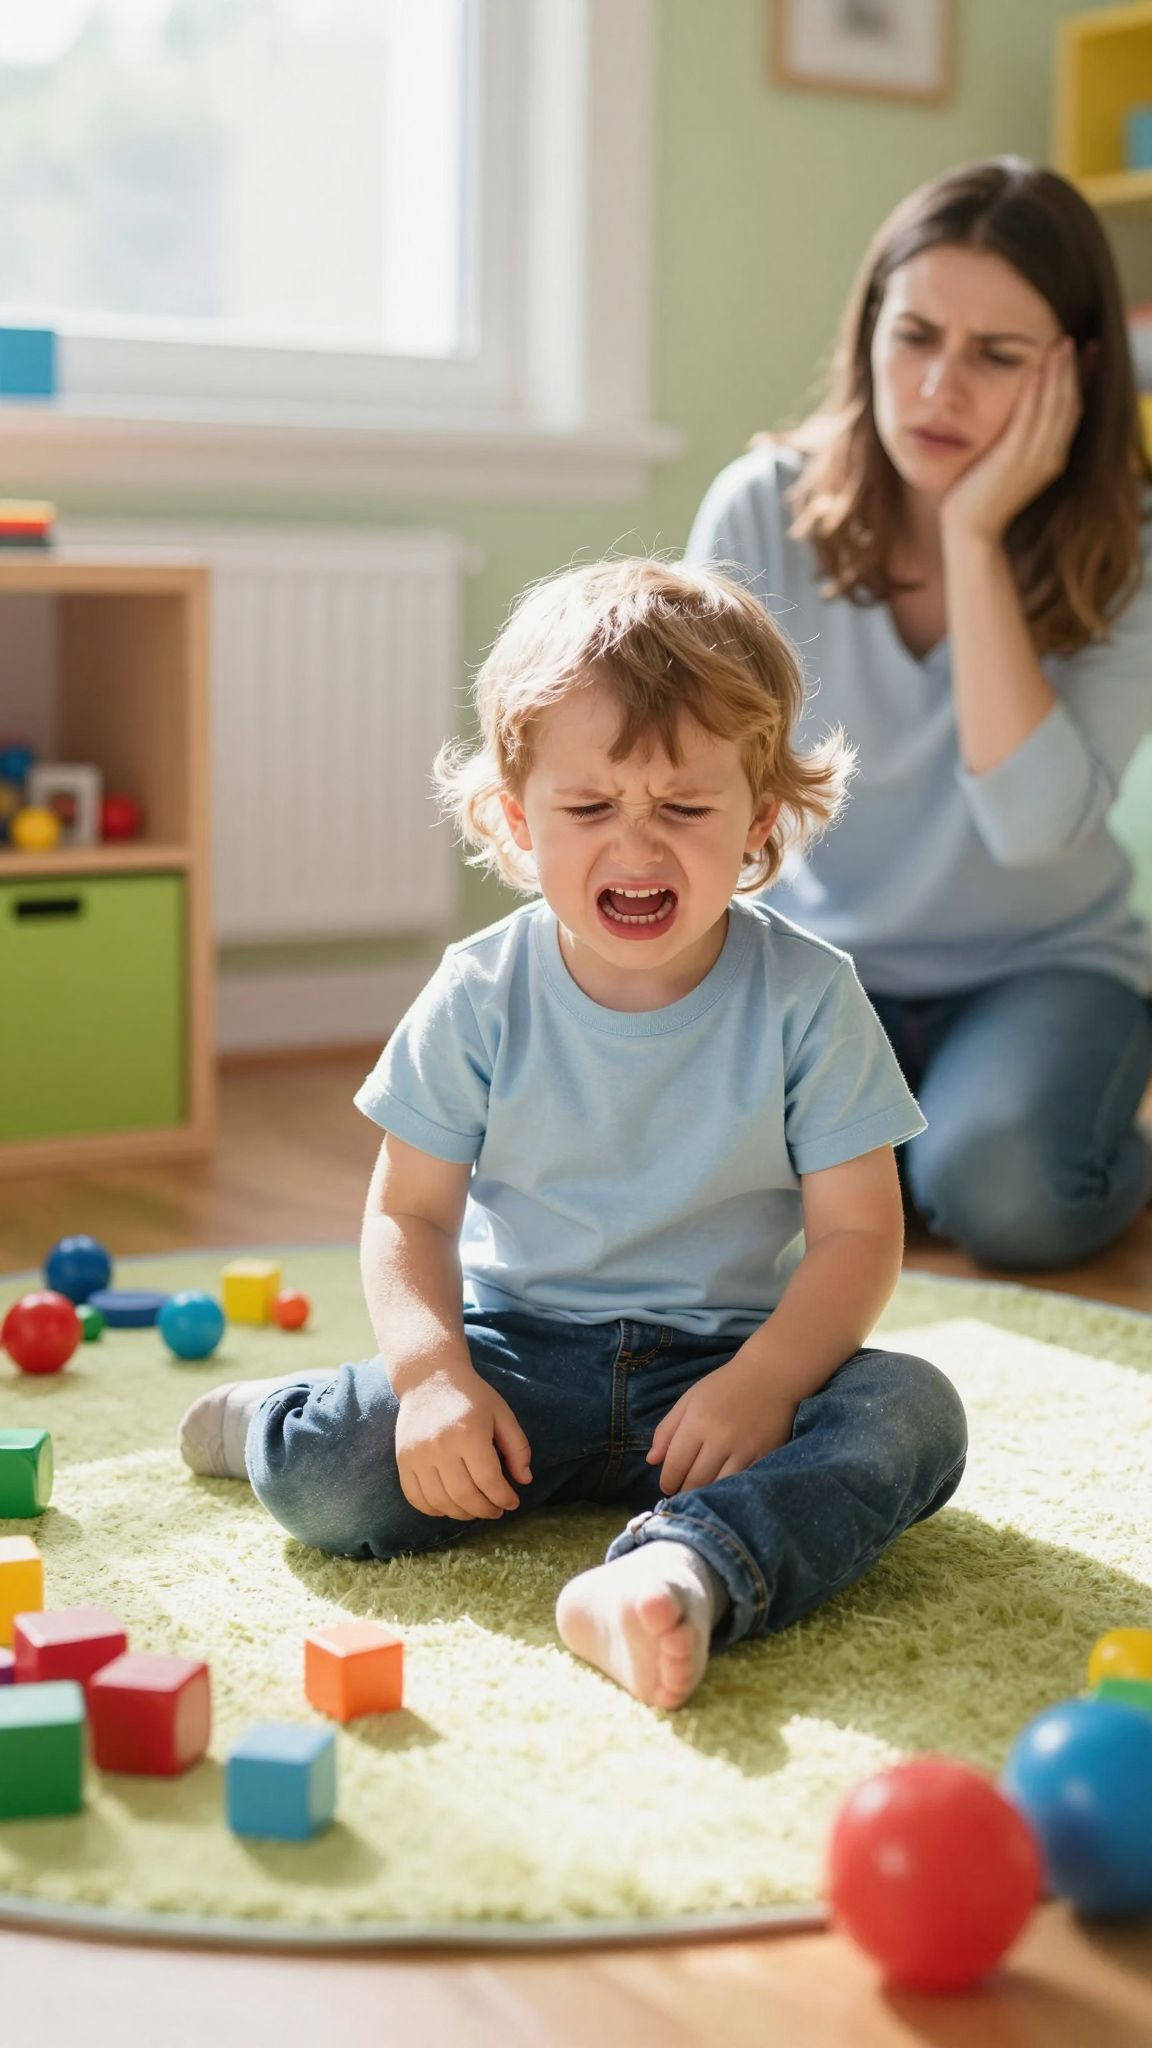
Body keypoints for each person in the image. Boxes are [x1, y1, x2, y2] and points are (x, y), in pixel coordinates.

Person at [179, 558, 967, 1712]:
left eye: (684, 808)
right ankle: (275, 1416)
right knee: (334, 1473)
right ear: (516, 817)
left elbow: (858, 1234)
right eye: (590, 807)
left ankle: (684, 1568)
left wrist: (764, 1382)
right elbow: (409, 1211)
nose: (637, 848)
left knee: (913, 1415)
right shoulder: (478, 989)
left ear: (759, 816)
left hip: (722, 1369)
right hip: (517, 1359)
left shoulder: (811, 994)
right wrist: (433, 1378)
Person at [686, 157, 1152, 1272]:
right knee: (715, 1194)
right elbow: (689, 786)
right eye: (916, 337)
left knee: (1008, 1192)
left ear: (1077, 371)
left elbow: (1031, 831)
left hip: (1044, 965)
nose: (941, 388)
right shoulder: (761, 510)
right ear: (869, 335)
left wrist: (973, 536)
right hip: (822, 969)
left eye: (997, 356)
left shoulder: (1129, 549)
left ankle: (1041, 1139)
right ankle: (926, 1143)